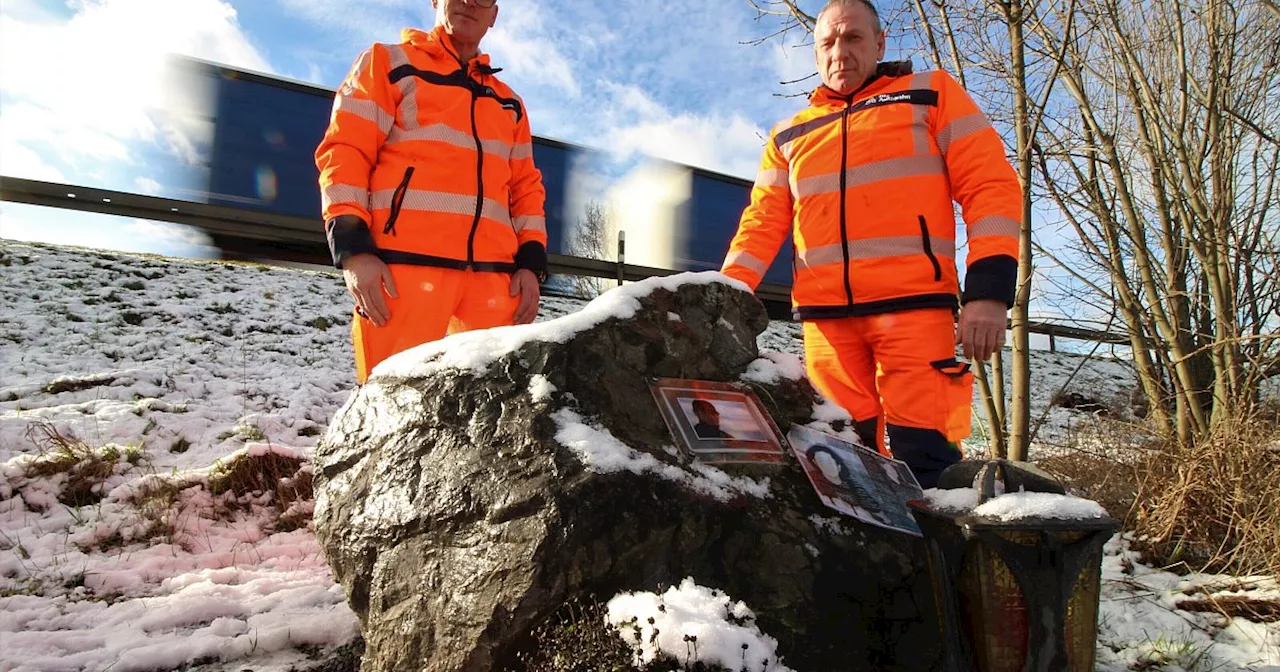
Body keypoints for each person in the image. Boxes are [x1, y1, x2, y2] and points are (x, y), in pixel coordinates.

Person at [721, 0, 1021, 488]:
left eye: (853, 38)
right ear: (816, 54)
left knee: (928, 465)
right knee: (841, 467)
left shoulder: (930, 94)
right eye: (828, 42)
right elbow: (761, 224)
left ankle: (934, 562)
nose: (840, 51)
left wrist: (988, 292)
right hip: (827, 326)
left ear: (880, 44)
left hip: (915, 314)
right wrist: (727, 296)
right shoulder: (788, 135)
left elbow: (991, 188)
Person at [315, 0, 548, 384]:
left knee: (497, 414)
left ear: (494, 15)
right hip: (401, 271)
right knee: (390, 406)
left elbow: (525, 187)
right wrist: (354, 250)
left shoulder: (510, 103)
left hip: (494, 281)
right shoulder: (387, 63)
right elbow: (345, 152)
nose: (471, 2)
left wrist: (530, 264)